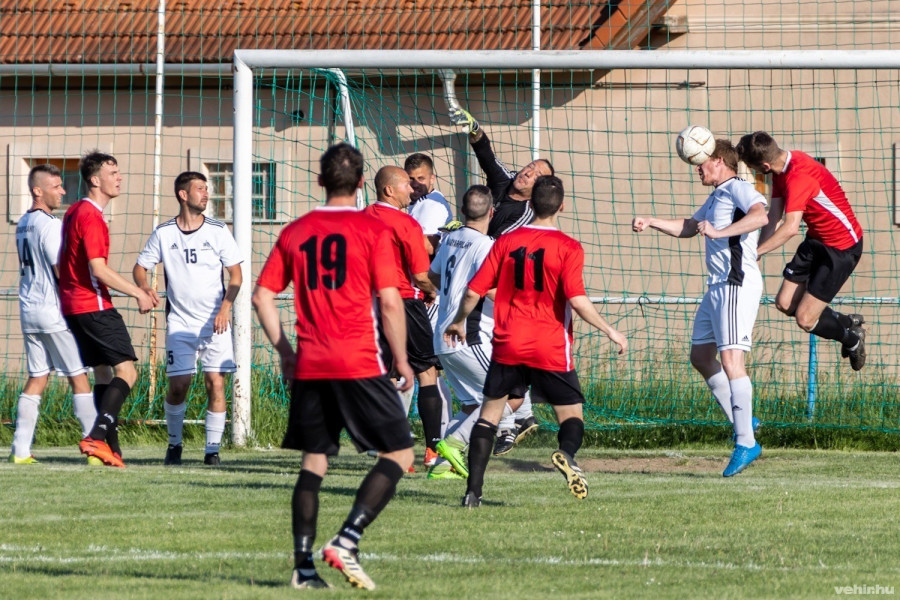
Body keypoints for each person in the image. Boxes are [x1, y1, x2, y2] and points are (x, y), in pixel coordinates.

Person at [252, 143, 414, 590]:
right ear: (362, 184)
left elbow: (262, 296)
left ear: (320, 181)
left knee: (315, 462)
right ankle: (347, 539)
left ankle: (303, 568)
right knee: (400, 452)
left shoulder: (296, 231)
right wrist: (401, 359)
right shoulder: (371, 230)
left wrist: (286, 351)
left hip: (312, 363)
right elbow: (388, 300)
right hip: (359, 359)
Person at [445, 175, 627, 507]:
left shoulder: (506, 242)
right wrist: (609, 329)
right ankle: (566, 454)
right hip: (550, 346)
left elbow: (474, 290)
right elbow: (578, 301)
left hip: (509, 342)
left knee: (489, 416)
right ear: (562, 206)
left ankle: (473, 492)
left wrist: (458, 321)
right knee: (571, 415)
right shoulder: (569, 247)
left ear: (529, 205)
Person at [632, 139, 769, 477]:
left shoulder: (737, 187)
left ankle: (745, 442)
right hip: (716, 288)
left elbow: (761, 215)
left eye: (701, 162)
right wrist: (652, 220)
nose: (697, 168)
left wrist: (721, 231)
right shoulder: (716, 195)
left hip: (736, 283)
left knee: (731, 361)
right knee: (700, 357)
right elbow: (690, 227)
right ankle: (744, 419)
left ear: (720, 161)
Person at [133, 172, 242, 466]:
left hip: (215, 323)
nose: (206, 194)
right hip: (180, 323)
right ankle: (174, 445)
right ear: (183, 195)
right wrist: (144, 287)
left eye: (207, 189)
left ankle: (212, 451)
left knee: (215, 383)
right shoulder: (164, 233)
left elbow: (236, 275)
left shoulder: (218, 230)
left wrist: (225, 308)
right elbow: (140, 267)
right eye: (200, 189)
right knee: (179, 384)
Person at [450, 106, 544, 449]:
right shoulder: (504, 185)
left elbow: (495, 244)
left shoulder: (525, 215)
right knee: (492, 363)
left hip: (501, 287)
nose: (526, 173)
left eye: (534, 175)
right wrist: (474, 129)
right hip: (484, 284)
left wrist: (464, 232)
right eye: (528, 168)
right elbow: (486, 155)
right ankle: (518, 418)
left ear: (538, 190)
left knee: (499, 363)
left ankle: (509, 422)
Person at [736, 131, 866, 370]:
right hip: (816, 240)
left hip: (841, 247)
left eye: (753, 168)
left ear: (764, 165)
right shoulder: (780, 169)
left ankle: (852, 338)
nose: (754, 173)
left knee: (805, 319)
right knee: (784, 303)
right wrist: (758, 253)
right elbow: (773, 217)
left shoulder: (798, 176)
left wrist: (754, 253)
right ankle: (848, 321)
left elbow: (790, 228)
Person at [59, 151, 157, 468]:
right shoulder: (90, 216)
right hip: (94, 305)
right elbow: (98, 270)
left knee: (103, 372)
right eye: (112, 172)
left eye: (119, 171)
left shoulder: (74, 211)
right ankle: (97, 437)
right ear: (95, 179)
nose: (119, 177)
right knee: (127, 371)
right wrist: (139, 292)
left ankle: (110, 451)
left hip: (73, 306)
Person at [426, 185, 526, 480]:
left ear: (461, 210)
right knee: (512, 396)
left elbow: (432, 276)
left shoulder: (451, 239)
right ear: (492, 212)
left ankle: (442, 467)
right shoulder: (487, 246)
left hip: (442, 337)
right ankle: (454, 444)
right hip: (469, 337)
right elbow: (489, 289)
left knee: (472, 404)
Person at [9, 164, 97, 463]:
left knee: (37, 376)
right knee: (79, 376)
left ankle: (20, 451)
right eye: (57, 186)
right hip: (51, 311)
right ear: (37, 190)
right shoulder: (50, 225)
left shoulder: (23, 222)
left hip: (28, 309)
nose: (63, 191)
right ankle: (95, 448)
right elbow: (62, 270)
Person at [364, 166, 443, 467]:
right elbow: (421, 275)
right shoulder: (405, 223)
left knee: (384, 376)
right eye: (406, 185)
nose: (412, 190)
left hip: (370, 305)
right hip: (404, 304)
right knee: (426, 373)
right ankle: (433, 450)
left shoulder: (361, 217)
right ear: (389, 190)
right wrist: (434, 291)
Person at [404, 152, 456, 451]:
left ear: (432, 178)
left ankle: (437, 442)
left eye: (421, 179)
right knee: (421, 369)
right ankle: (432, 442)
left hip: (427, 295)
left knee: (426, 369)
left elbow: (424, 246)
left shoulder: (433, 206)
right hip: (417, 292)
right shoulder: (416, 205)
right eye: (411, 180)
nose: (416, 185)